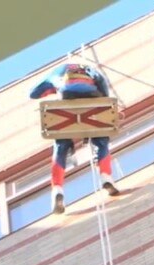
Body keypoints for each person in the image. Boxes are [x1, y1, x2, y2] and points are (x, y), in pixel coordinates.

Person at [29, 57, 118, 215]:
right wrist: (104, 103)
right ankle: (106, 176)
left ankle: (57, 189)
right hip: (92, 96)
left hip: (66, 94)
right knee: (101, 138)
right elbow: (103, 83)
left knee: (60, 145)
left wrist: (51, 89)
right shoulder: (90, 69)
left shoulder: (58, 71)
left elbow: (33, 93)